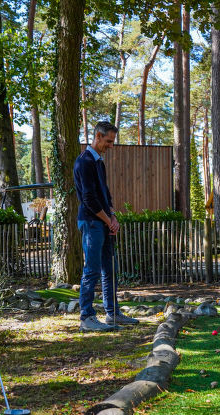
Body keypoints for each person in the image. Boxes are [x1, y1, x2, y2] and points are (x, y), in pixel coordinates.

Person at [74, 121, 138, 331]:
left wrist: (113, 217)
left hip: (103, 221)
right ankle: (87, 317)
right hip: (91, 222)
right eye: (108, 141)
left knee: (110, 269)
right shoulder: (84, 162)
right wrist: (107, 220)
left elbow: (105, 194)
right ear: (98, 137)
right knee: (91, 270)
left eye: (113, 141)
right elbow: (89, 199)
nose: (111, 146)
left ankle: (112, 314)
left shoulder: (98, 162)